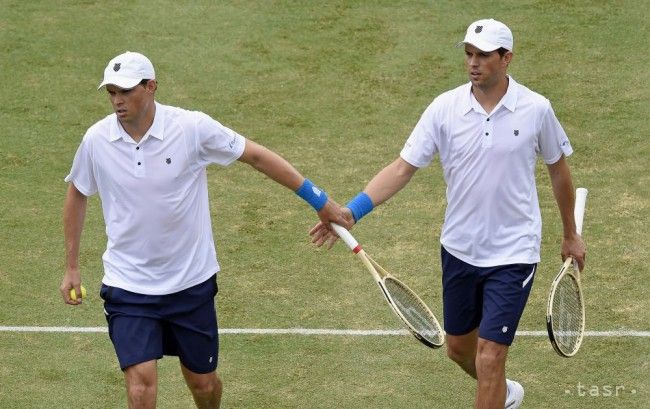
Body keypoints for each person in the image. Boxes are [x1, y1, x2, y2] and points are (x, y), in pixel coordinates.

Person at [311, 19, 586, 409]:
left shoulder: (536, 109)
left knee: (491, 356)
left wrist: (570, 233)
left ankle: (493, 386)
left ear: (507, 59)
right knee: (460, 350)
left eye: (484, 56)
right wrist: (352, 211)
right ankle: (504, 394)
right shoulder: (445, 109)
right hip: (458, 249)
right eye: (469, 54)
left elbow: (558, 169)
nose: (473, 63)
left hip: (514, 252)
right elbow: (402, 168)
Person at [60, 51, 346, 409]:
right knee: (139, 389)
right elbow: (77, 192)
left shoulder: (191, 128)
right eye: (112, 92)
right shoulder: (96, 140)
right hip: (128, 284)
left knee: (203, 385)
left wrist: (319, 200)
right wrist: (72, 266)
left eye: (126, 91)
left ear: (151, 88)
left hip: (190, 283)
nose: (117, 100)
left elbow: (256, 155)